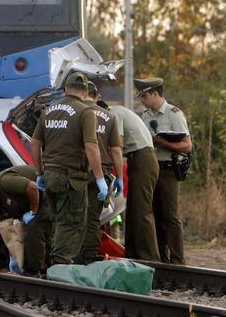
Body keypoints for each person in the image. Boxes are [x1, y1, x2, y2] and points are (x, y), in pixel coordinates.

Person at [30, 71, 106, 265]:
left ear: (65, 89)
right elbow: (91, 146)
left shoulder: (48, 111)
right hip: (71, 178)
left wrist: (39, 173)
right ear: (86, 90)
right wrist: (99, 178)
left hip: (49, 175)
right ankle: (60, 266)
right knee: (73, 222)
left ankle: (55, 263)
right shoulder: (85, 112)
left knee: (58, 221)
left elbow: (35, 143)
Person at [135, 77, 192, 265]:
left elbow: (187, 146)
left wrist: (164, 143)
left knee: (171, 216)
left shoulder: (174, 114)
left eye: (144, 96)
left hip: (168, 169)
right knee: (155, 214)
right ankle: (161, 258)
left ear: (155, 94)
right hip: (151, 170)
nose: (142, 100)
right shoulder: (145, 116)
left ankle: (178, 260)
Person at [0, 165, 53, 274]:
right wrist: (14, 255)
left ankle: (36, 271)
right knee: (26, 236)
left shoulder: (4, 182)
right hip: (31, 204)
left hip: (43, 197)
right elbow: (7, 226)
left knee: (33, 231)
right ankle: (42, 267)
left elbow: (32, 187)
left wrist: (33, 211)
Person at [108, 102, 161, 261]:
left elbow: (117, 144)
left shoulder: (114, 114)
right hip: (139, 158)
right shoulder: (120, 111)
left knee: (141, 210)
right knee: (133, 211)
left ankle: (150, 259)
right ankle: (133, 255)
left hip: (142, 159)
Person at [79, 82, 123, 263]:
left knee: (72, 217)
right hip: (101, 174)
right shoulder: (109, 116)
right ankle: (88, 258)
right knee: (93, 219)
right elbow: (116, 150)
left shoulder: (75, 112)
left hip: (75, 171)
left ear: (82, 94)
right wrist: (119, 176)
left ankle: (68, 259)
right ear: (97, 97)